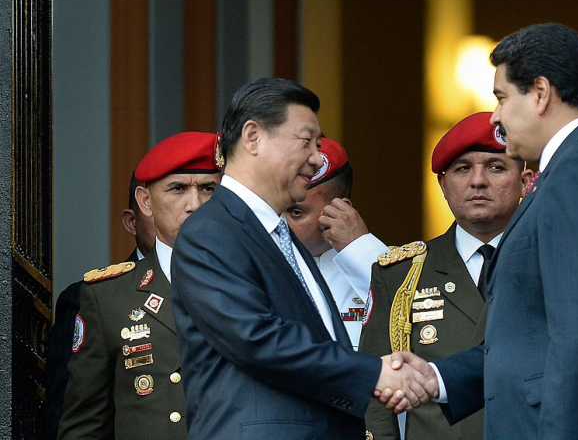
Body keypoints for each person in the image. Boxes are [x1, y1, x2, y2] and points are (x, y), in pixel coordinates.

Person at [385, 23, 578, 440]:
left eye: (502, 97)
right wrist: (440, 377)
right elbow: (538, 337)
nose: (496, 115)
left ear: (541, 93)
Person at [169, 77, 436, 439]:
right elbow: (256, 338)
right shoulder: (212, 230)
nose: (316, 157)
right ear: (253, 137)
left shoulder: (280, 235)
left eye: (319, 144)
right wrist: (373, 373)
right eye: (306, 141)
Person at [360, 111, 531, 440]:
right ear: (442, 184)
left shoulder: (551, 263)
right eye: (462, 169)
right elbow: (377, 393)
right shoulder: (400, 275)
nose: (477, 181)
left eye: (496, 167)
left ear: (525, 182)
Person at [57, 132, 222, 440]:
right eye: (178, 189)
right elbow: (85, 427)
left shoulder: (256, 283)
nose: (195, 204)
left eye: (208, 188)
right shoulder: (108, 296)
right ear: (145, 201)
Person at [43, 172, 156, 440]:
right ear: (131, 222)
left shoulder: (233, 286)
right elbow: (69, 414)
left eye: (207, 190)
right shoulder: (89, 296)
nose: (189, 208)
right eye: (175, 192)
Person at [285, 137, 388, 351]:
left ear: (340, 210)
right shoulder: (255, 263)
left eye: (295, 212)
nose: (280, 222)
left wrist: (360, 247)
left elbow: (409, 316)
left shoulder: (381, 265)